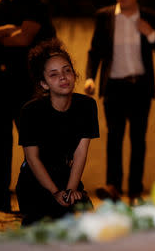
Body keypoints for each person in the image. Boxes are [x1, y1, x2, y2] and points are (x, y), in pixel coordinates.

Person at [84, 0, 155, 205]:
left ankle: (134, 191)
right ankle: (113, 187)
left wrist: (150, 33)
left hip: (140, 86)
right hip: (113, 86)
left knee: (138, 140)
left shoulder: (150, 17)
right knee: (114, 138)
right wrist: (90, 77)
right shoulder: (104, 17)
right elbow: (95, 51)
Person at [0, 0, 56, 212]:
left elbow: (23, 39)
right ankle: (0, 198)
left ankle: (40, 197)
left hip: (30, 83)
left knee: (34, 142)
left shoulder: (37, 3)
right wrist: (9, 29)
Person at [15, 38, 99, 226]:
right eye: (53, 75)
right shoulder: (30, 111)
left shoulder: (87, 106)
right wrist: (55, 192)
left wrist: (70, 190)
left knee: (88, 222)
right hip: (35, 180)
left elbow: (80, 153)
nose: (63, 77)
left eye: (67, 70)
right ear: (44, 84)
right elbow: (32, 158)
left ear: (74, 75)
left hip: (66, 176)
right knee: (44, 228)